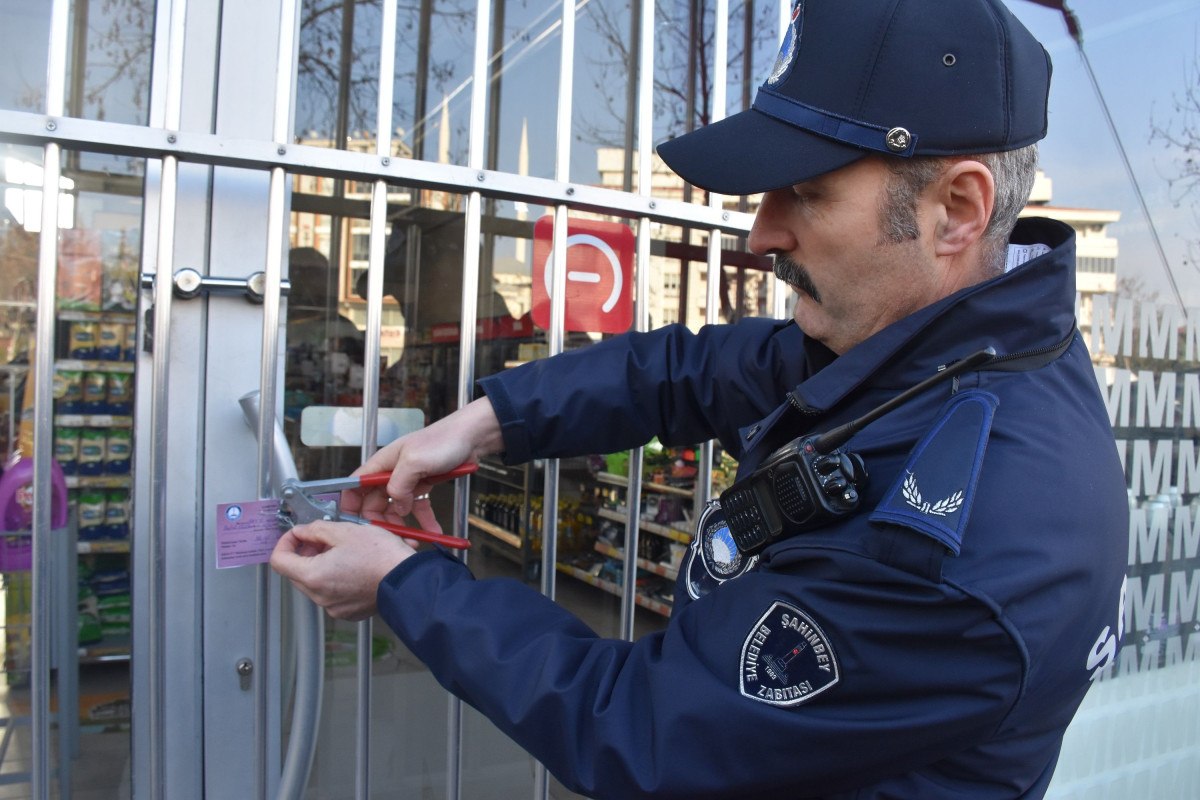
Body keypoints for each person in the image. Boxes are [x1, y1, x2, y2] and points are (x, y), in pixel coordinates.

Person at [270, 0, 1129, 796]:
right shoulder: (923, 346)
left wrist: (407, 587)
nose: (761, 233)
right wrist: (485, 423)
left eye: (809, 191)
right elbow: (693, 370)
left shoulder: (970, 546)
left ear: (958, 210)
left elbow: (646, 728)